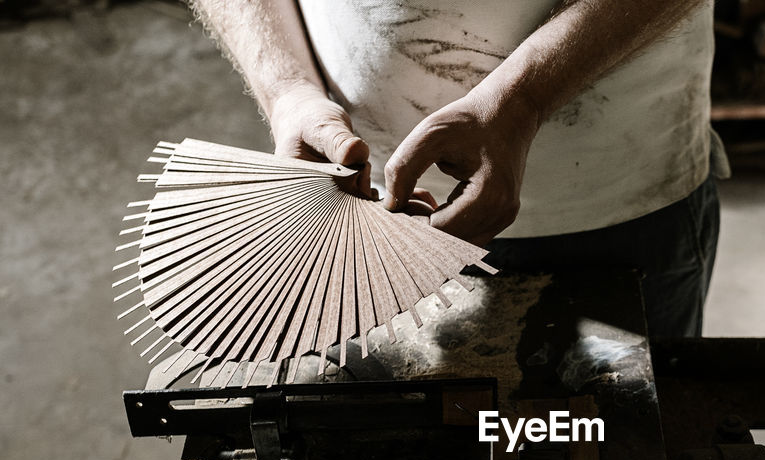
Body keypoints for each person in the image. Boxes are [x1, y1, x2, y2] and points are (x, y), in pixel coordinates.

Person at [191, 0, 728, 338]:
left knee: (620, 448)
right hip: (370, 207)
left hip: (617, 199)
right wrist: (287, 89)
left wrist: (525, 98)